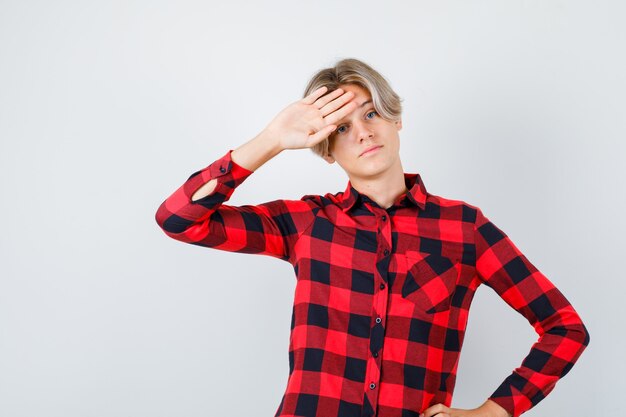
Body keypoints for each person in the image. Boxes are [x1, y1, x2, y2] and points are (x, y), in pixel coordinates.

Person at [154, 58, 590, 417]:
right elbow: (179, 218)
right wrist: (270, 141)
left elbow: (565, 328)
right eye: (341, 128)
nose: (362, 132)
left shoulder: (464, 228)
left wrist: (493, 412)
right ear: (326, 148)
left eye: (370, 113)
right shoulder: (307, 222)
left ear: (395, 119)